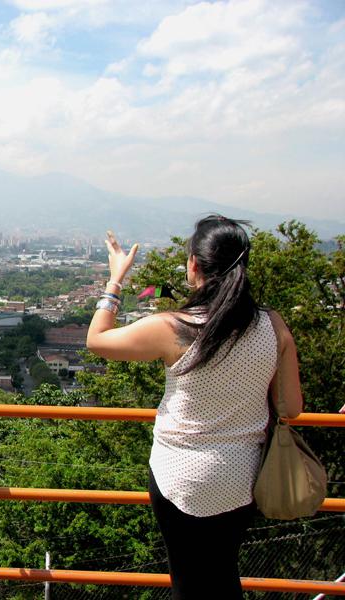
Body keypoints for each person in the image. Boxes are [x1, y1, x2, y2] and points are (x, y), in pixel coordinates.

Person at [86, 216, 303, 600]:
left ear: (194, 266)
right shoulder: (272, 325)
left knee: (188, 580)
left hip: (179, 477)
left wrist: (116, 280)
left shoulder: (175, 326)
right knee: (222, 574)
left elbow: (97, 340)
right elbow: (292, 406)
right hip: (244, 477)